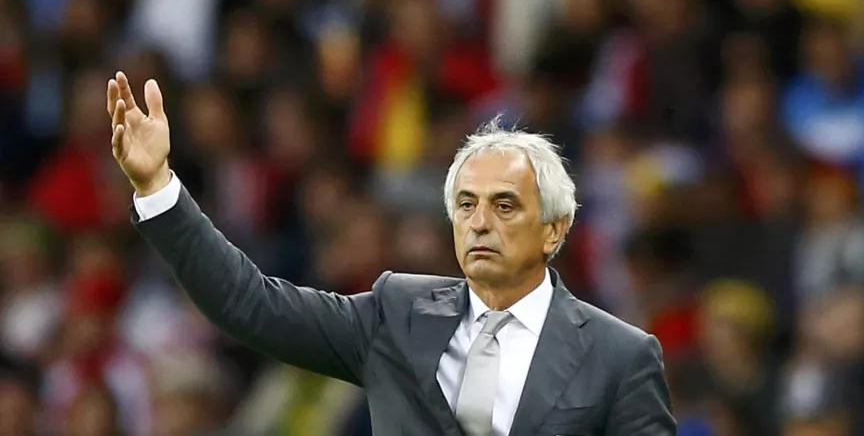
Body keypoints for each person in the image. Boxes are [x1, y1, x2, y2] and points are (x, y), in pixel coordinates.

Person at [105, 71, 676, 436]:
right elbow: (248, 303)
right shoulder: (395, 313)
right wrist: (157, 187)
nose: (479, 223)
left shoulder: (620, 357)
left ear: (554, 230)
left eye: (505, 206)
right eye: (466, 205)